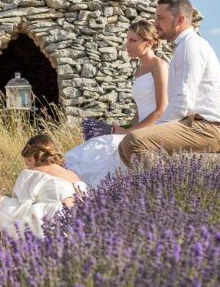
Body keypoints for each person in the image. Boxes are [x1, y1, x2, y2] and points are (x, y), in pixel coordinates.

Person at [119, 0, 220, 167]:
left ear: (179, 20)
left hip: (208, 130)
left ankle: (164, 191)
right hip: (199, 127)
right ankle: (159, 188)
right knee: (127, 144)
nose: (155, 23)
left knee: (133, 142)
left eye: (161, 18)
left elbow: (183, 100)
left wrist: (155, 128)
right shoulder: (186, 46)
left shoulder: (190, 46)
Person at [64, 20, 168, 187]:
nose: (128, 45)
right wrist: (123, 128)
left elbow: (160, 110)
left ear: (148, 42)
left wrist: (129, 132)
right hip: (139, 127)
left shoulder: (159, 65)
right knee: (92, 147)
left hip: (154, 128)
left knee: (105, 150)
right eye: (127, 40)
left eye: (133, 41)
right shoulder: (139, 71)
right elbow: (139, 113)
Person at [0, 133, 87, 239]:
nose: (28, 166)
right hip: (77, 223)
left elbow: (21, 201)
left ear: (31, 158)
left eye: (27, 163)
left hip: (50, 222)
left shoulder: (33, 173)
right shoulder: (72, 175)